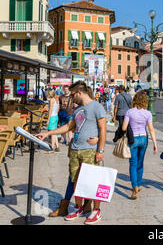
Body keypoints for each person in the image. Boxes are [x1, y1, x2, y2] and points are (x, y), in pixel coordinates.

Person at [37, 81, 107, 225]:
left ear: (80, 93)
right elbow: (69, 126)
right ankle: (80, 207)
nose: (71, 98)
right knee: (76, 181)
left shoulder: (97, 107)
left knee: (92, 182)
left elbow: (103, 129)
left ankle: (96, 211)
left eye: (73, 95)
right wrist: (49, 133)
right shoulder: (78, 110)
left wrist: (100, 149)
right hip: (75, 149)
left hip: (89, 150)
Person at [122, 91, 158, 200]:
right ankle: (138, 183)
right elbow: (151, 129)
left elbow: (124, 128)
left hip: (133, 139)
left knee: (133, 163)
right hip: (143, 138)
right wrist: (155, 144)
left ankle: (134, 187)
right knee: (140, 162)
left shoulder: (129, 112)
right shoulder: (148, 113)